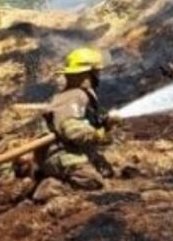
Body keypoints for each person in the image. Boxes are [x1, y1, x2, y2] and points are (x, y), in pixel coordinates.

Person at [34, 47, 118, 202]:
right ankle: (52, 186)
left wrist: (106, 125)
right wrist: (98, 134)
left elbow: (88, 123)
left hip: (70, 150)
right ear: (87, 74)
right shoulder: (74, 96)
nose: (99, 76)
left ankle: (56, 175)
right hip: (60, 155)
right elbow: (73, 132)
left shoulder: (78, 95)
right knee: (93, 181)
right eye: (97, 72)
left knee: (105, 169)